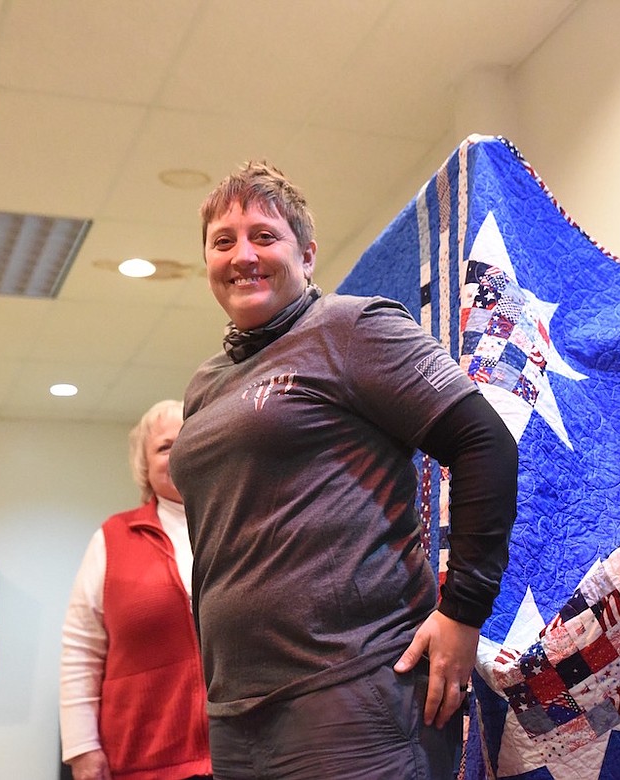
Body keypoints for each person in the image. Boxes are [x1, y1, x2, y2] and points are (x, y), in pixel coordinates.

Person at [167, 160, 518, 780]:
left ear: (306, 255)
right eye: (223, 242)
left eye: (263, 236)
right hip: (236, 713)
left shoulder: (350, 327)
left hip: (353, 697)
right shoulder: (205, 384)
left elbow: (484, 443)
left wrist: (463, 612)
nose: (242, 255)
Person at [60, 399, 211, 780]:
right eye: (164, 446)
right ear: (144, 465)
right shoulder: (112, 538)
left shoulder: (244, 527)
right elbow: (81, 649)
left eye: (191, 437)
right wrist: (82, 749)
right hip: (141, 761)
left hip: (244, 758)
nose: (179, 452)